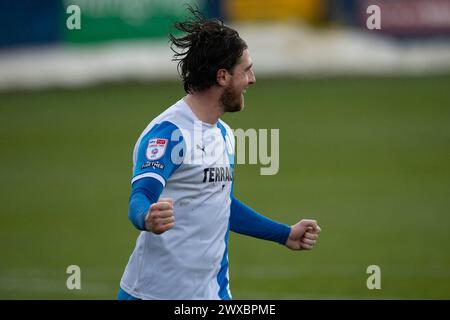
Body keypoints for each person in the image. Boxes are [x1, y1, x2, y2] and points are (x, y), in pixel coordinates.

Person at [118, 7, 321, 300]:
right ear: (223, 76)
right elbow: (140, 198)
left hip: (212, 293)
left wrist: (283, 234)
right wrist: (145, 217)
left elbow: (219, 202)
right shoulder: (169, 133)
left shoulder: (224, 134)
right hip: (152, 294)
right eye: (246, 69)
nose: (252, 79)